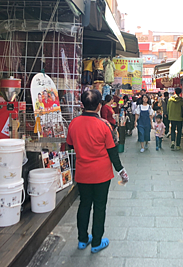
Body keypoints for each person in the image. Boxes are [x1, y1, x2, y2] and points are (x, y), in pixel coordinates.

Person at [66, 89, 128, 254]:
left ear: (82, 105)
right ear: (99, 105)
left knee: (84, 204)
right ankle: (97, 242)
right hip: (101, 174)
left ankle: (82, 239)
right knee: (100, 207)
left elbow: (70, 145)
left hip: (82, 172)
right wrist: (121, 170)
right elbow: (112, 151)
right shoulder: (104, 125)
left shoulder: (74, 123)